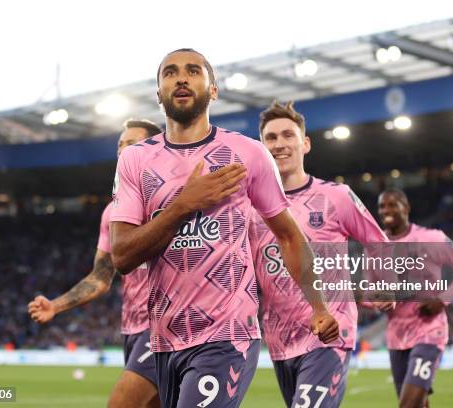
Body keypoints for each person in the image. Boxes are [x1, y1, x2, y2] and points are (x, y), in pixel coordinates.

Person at [110, 48, 339, 408]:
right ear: (158, 94)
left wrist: (319, 306)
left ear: (213, 90)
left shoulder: (247, 154)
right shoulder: (135, 160)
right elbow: (122, 255)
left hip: (228, 334)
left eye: (193, 71)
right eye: (169, 73)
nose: (181, 78)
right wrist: (184, 205)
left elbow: (289, 235)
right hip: (165, 340)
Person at [250, 101, 388, 407]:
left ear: (305, 143)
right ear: (261, 148)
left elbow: (379, 243)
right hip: (279, 339)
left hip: (330, 332)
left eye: (288, 135)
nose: (280, 144)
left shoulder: (335, 196)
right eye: (270, 138)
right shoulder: (249, 209)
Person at [27, 119, 163, 408]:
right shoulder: (112, 212)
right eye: (120, 145)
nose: (123, 150)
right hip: (131, 329)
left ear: (157, 150)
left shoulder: (172, 201)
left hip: (166, 326)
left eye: (132, 143)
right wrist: (56, 305)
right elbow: (101, 277)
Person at [377, 188, 453, 408]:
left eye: (392, 204)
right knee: (419, 405)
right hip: (396, 336)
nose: (386, 210)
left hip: (429, 332)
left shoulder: (431, 238)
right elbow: (376, 293)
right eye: (382, 206)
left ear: (406, 208)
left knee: (408, 405)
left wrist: (442, 300)